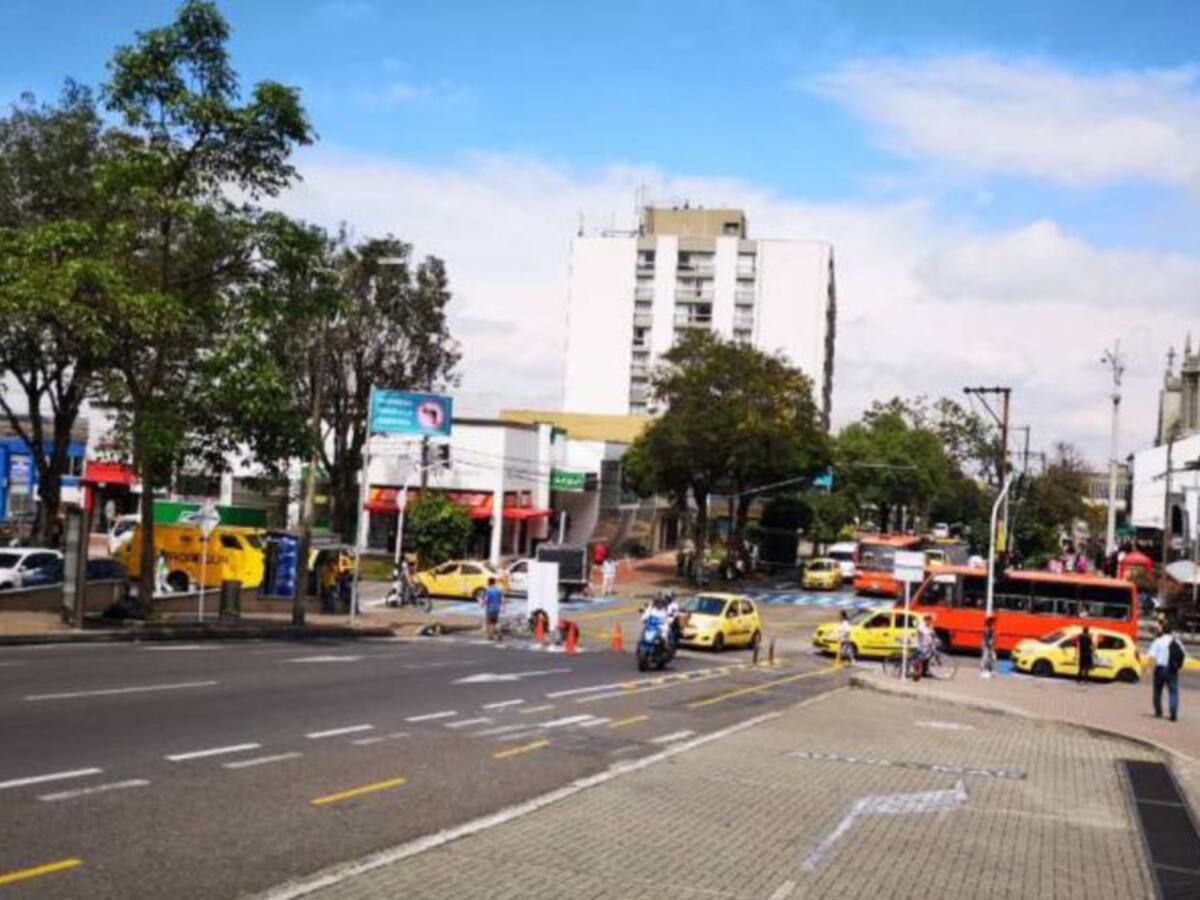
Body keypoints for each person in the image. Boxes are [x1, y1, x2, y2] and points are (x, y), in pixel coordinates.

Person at [1149, 623, 1186, 721]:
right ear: (1171, 631)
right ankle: (1173, 713)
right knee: (1173, 692)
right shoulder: (1177, 642)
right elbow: (1182, 655)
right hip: (1172, 669)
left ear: (1163, 631)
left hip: (1160, 669)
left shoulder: (1157, 641)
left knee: (1157, 691)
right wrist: (1178, 667)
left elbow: (1153, 657)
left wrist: (1150, 669)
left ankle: (1158, 712)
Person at [482, 576, 504, 641]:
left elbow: (486, 599)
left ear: (489, 583)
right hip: (497, 608)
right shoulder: (498, 590)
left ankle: (490, 636)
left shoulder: (488, 590)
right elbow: (502, 599)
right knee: (496, 622)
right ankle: (498, 633)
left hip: (490, 608)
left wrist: (482, 604)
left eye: (487, 582)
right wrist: (503, 607)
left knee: (489, 622)